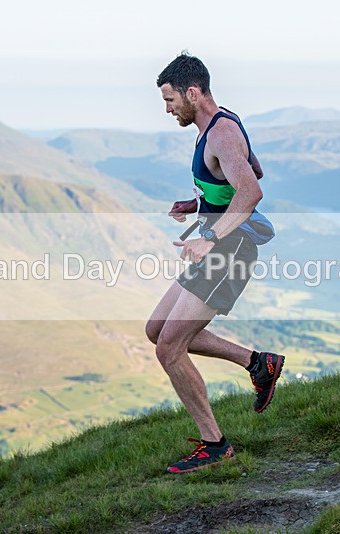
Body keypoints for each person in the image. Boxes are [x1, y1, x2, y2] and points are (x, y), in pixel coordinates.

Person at [146, 52, 285, 474]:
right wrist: (198, 204)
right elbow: (251, 171)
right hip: (221, 245)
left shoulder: (220, 134)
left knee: (170, 348)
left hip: (229, 249)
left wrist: (209, 237)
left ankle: (215, 445)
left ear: (192, 93)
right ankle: (258, 363)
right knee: (156, 330)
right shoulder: (219, 125)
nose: (167, 109)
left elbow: (251, 192)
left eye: (170, 100)